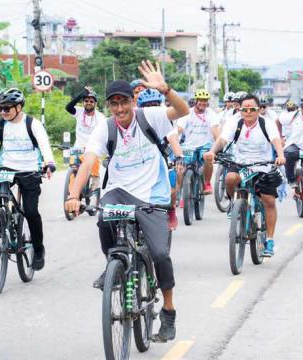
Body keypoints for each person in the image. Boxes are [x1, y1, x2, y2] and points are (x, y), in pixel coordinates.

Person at [65, 60, 189, 342]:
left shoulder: (152, 117)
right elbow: (88, 163)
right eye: (113, 104)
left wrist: (165, 89)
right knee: (102, 217)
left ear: (133, 101)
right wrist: (74, 195)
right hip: (119, 190)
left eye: (124, 102)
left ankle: (168, 312)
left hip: (152, 193)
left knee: (159, 254)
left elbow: (183, 111)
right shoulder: (104, 128)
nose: (119, 109)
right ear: (108, 106)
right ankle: (114, 263)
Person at [0, 88, 55, 271]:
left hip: (29, 170)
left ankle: (39, 250)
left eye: (7, 108)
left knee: (31, 212)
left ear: (18, 107)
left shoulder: (32, 124)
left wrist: (49, 162)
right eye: (0, 108)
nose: (3, 112)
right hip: (7, 167)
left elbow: (44, 144)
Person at [204, 94, 285, 256]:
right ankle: (234, 203)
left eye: (252, 109)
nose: (248, 112)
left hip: (263, 165)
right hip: (241, 164)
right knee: (230, 178)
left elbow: (276, 140)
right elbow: (222, 140)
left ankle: (269, 240)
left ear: (258, 110)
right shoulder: (234, 122)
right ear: (240, 110)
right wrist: (212, 151)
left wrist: (280, 155)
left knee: (268, 201)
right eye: (244, 109)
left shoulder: (266, 123)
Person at [137, 88, 184, 230]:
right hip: (141, 160)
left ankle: (170, 210)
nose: (151, 109)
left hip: (162, 157)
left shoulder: (166, 120)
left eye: (155, 105)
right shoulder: (134, 119)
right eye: (147, 105)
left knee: (171, 189)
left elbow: (173, 138)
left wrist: (179, 157)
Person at [177, 89, 219, 196]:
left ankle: (207, 183)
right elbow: (180, 128)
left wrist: (218, 145)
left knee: (208, 158)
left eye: (205, 100)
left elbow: (215, 131)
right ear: (195, 101)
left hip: (205, 145)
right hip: (188, 146)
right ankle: (179, 192)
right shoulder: (187, 113)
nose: (203, 103)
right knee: (181, 167)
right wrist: (172, 137)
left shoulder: (211, 114)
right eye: (200, 100)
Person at [65, 86, 106, 190]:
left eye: (91, 101)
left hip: (92, 147)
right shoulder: (79, 112)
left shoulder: (100, 117)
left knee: (94, 158)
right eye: (86, 100)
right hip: (78, 147)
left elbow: (103, 133)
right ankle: (72, 194)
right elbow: (68, 107)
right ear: (83, 102)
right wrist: (80, 95)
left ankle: (95, 178)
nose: (88, 103)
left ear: (95, 104)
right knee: (73, 170)